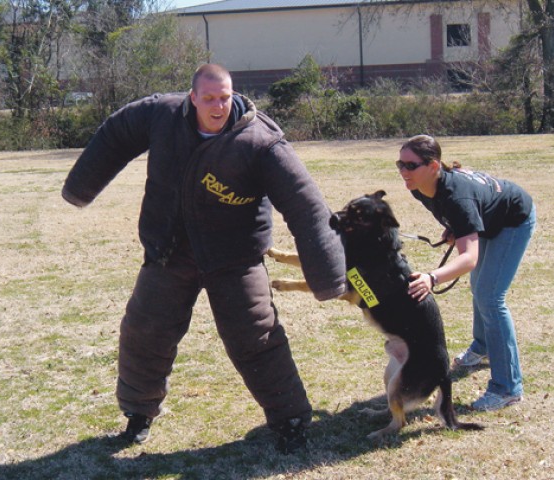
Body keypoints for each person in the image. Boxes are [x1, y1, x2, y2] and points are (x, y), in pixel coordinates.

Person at [61, 63, 346, 453]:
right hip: (169, 249)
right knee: (145, 333)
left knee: (257, 338)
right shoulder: (162, 115)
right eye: (209, 98)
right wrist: (80, 189)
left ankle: (290, 420)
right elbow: (116, 134)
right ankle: (137, 415)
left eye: (224, 97)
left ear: (234, 94)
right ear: (192, 97)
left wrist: (328, 277)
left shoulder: (260, 140)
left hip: (234, 256)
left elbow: (306, 206)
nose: (218, 106)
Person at [397, 134, 536, 411]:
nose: (403, 171)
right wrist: (457, 227)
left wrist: (432, 277)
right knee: (481, 288)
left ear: (434, 166)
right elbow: (461, 210)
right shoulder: (419, 187)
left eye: (410, 166)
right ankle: (481, 346)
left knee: (490, 297)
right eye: (399, 164)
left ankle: (508, 387)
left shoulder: (456, 197)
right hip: (488, 217)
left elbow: (469, 258)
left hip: (513, 219)